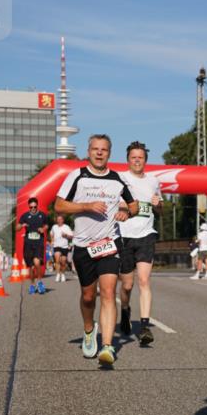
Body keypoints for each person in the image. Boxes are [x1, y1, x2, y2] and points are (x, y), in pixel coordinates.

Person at [54, 134, 138, 366]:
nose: (99, 153)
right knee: (89, 297)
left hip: (109, 244)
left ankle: (108, 346)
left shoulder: (117, 180)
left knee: (109, 292)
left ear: (109, 153)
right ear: (88, 151)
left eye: (104, 149)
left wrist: (127, 212)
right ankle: (89, 329)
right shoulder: (77, 176)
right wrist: (86, 206)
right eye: (95, 149)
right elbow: (59, 204)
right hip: (83, 246)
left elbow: (135, 205)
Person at [117, 141, 162, 345]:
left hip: (146, 235)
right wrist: (122, 206)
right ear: (128, 160)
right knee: (127, 285)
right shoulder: (120, 178)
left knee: (144, 280)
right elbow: (112, 204)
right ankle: (125, 311)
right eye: (133, 157)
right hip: (125, 236)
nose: (137, 160)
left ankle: (144, 326)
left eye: (140, 157)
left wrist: (158, 204)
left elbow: (159, 209)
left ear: (145, 160)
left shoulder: (153, 181)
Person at [17, 197, 48, 294]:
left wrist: (43, 229)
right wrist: (22, 225)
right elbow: (17, 228)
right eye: (31, 207)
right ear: (29, 207)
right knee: (30, 266)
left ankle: (39, 282)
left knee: (37, 263)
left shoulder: (42, 215)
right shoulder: (25, 216)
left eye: (35, 207)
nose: (33, 209)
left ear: (37, 206)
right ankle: (32, 284)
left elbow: (46, 224)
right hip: (28, 243)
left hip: (39, 242)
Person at [49, 215, 74, 282]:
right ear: (56, 220)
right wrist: (52, 240)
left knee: (63, 262)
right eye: (58, 219)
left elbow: (71, 236)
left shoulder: (66, 227)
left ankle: (62, 274)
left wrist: (66, 235)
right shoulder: (54, 227)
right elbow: (51, 233)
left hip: (64, 246)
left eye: (61, 219)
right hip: (56, 246)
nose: (59, 220)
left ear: (63, 220)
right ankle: (57, 274)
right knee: (57, 260)